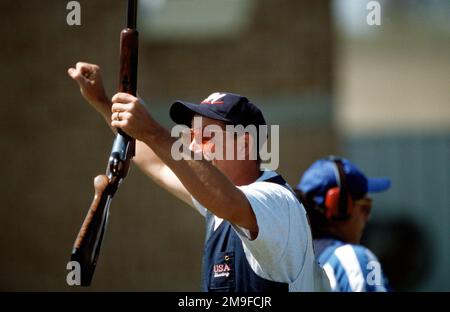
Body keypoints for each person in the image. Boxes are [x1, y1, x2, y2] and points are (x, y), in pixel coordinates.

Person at [67, 62, 330, 292]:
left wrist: (154, 132)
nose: (191, 148)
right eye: (191, 138)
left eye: (206, 138)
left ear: (245, 143)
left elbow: (226, 200)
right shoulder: (218, 203)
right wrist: (102, 102)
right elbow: (158, 165)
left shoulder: (276, 202)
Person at [295, 156, 391, 292]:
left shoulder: (288, 263)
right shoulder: (353, 260)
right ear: (339, 207)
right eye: (365, 207)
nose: (367, 218)